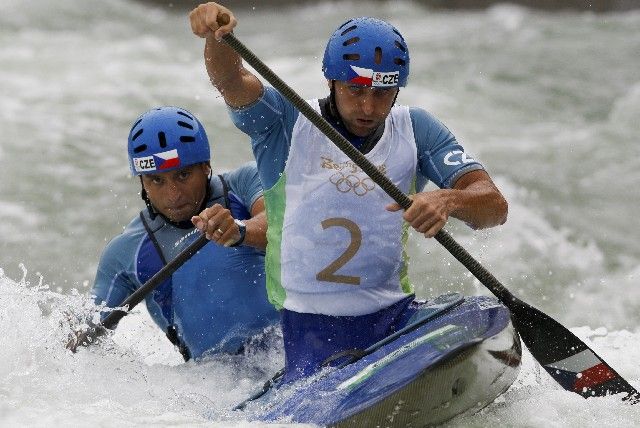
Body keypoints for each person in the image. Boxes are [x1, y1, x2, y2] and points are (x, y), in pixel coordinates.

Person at [189, 3, 508, 382]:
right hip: (310, 332)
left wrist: (448, 200)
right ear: (331, 82)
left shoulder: (417, 129)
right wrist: (216, 35)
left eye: (383, 92)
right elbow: (231, 80)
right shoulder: (285, 121)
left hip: (396, 317)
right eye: (355, 91)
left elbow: (494, 207)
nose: (369, 107)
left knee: (484, 312)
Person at [91, 106, 278, 361]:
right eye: (157, 180)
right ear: (142, 183)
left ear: (205, 167)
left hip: (291, 347)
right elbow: (85, 336)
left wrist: (240, 231)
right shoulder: (126, 252)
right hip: (224, 384)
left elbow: (282, 226)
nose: (173, 194)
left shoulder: (244, 183)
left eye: (183, 175)